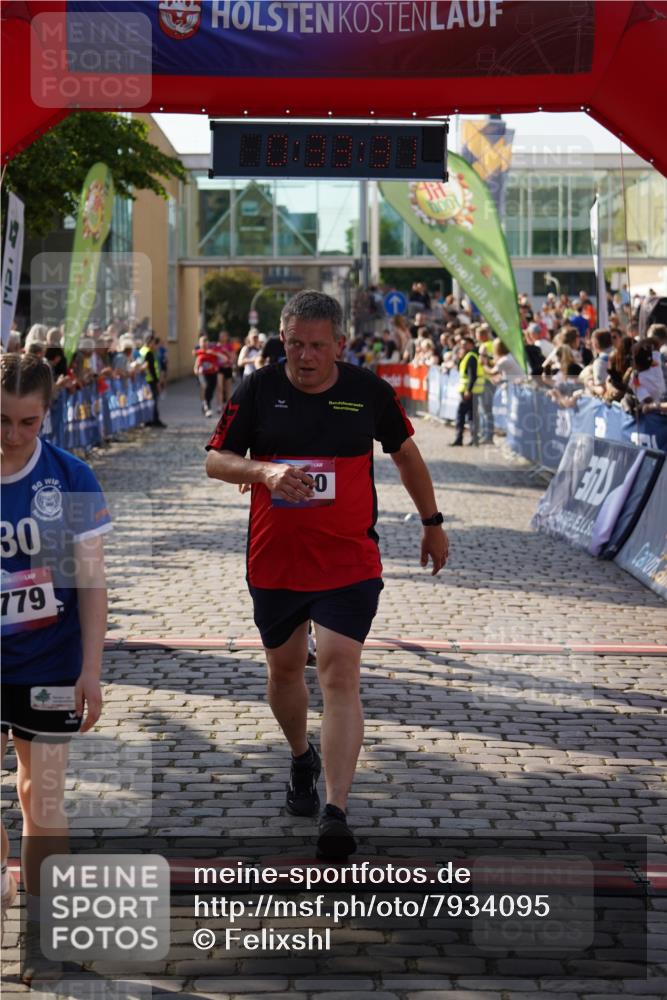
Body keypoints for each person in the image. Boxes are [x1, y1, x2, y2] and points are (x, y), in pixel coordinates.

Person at [205, 290, 448, 858]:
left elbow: (406, 456)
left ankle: (336, 810)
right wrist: (263, 471)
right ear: (282, 340)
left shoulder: (368, 392)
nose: (305, 356)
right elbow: (216, 459)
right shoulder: (259, 388)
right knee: (286, 672)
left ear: (340, 344)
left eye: (317, 346)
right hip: (276, 562)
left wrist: (432, 522)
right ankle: (300, 757)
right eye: (294, 344)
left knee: (340, 674)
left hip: (348, 561)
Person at [1, 353, 111, 981]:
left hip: (51, 660)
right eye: (1, 420)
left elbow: (93, 583)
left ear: (48, 413)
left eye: (27, 422)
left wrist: (91, 670)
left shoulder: (70, 477)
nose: (13, 435)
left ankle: (44, 933)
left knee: (39, 795)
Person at [139, 331, 166, 428]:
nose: (155, 345)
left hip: (142, 380)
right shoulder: (149, 352)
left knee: (146, 401)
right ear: (149, 342)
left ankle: (148, 420)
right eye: (154, 343)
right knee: (153, 401)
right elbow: (151, 368)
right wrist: (157, 381)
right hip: (150, 380)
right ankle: (155, 420)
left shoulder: (142, 350)